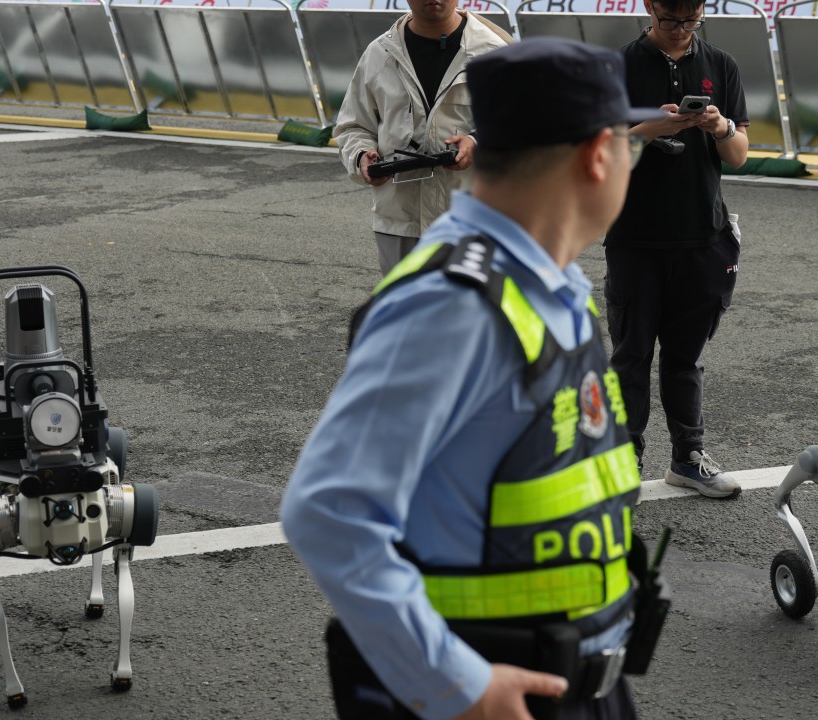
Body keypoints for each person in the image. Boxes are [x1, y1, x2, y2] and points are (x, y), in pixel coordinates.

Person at [283, 37, 668, 720]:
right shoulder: (451, 304)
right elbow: (329, 510)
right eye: (628, 146)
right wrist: (459, 686)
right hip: (497, 696)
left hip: (582, 684)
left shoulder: (548, 289)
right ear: (598, 155)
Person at [604, 0, 750, 498]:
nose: (680, 31)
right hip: (634, 237)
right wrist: (647, 130)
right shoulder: (618, 67)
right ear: (649, 8)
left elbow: (740, 154)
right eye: (670, 20)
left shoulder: (721, 64)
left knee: (686, 358)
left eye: (691, 21)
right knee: (631, 354)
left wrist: (719, 127)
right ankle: (623, 465)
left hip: (703, 236)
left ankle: (688, 457)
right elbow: (595, 153)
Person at [333, 0, 511, 275]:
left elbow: (523, 125)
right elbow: (353, 126)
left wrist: (477, 143)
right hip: (400, 222)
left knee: (469, 314)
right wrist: (361, 157)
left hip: (473, 222)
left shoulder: (495, 53)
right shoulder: (380, 54)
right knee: (405, 313)